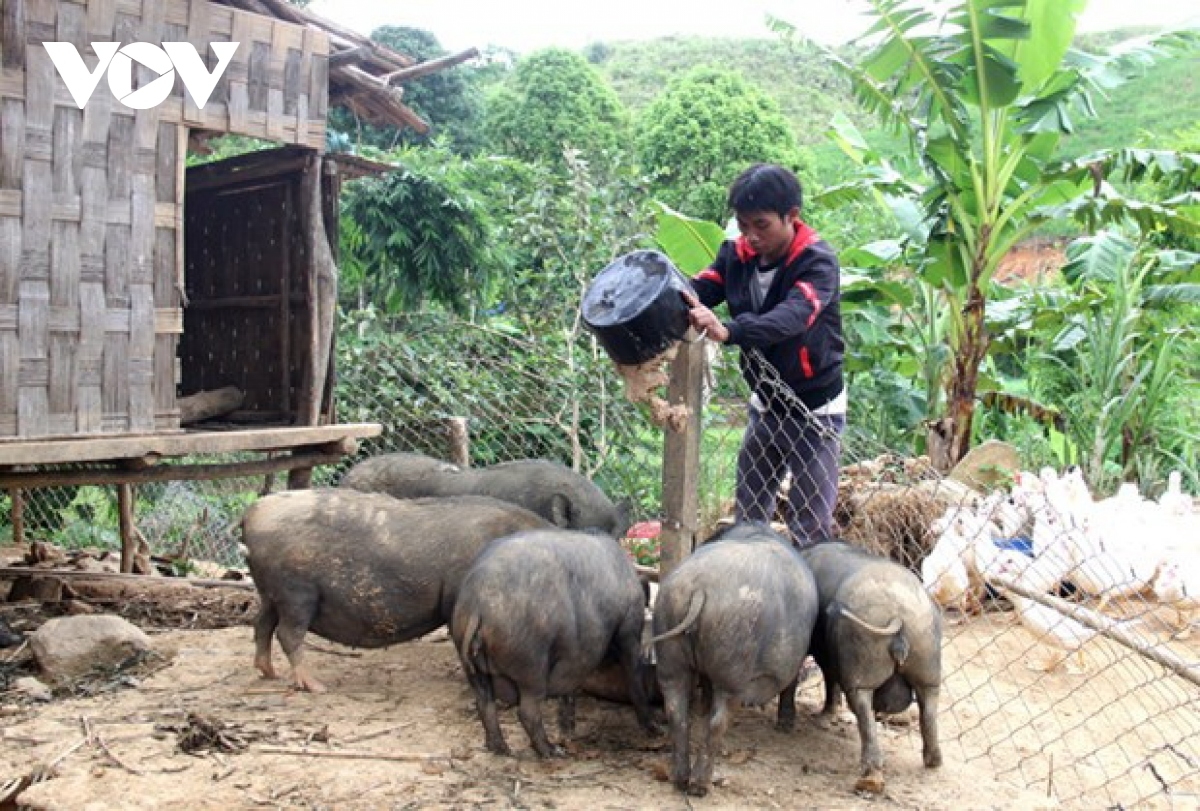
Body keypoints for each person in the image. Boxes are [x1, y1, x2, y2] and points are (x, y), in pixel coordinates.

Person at [684, 163, 845, 547]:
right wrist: (673, 299)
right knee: (749, 514)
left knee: (810, 527)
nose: (751, 236)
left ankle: (808, 601)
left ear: (791, 217)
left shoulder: (817, 262)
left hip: (814, 411)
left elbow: (793, 316)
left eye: (761, 225)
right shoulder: (735, 255)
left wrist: (731, 330)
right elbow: (703, 287)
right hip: (765, 404)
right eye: (743, 225)